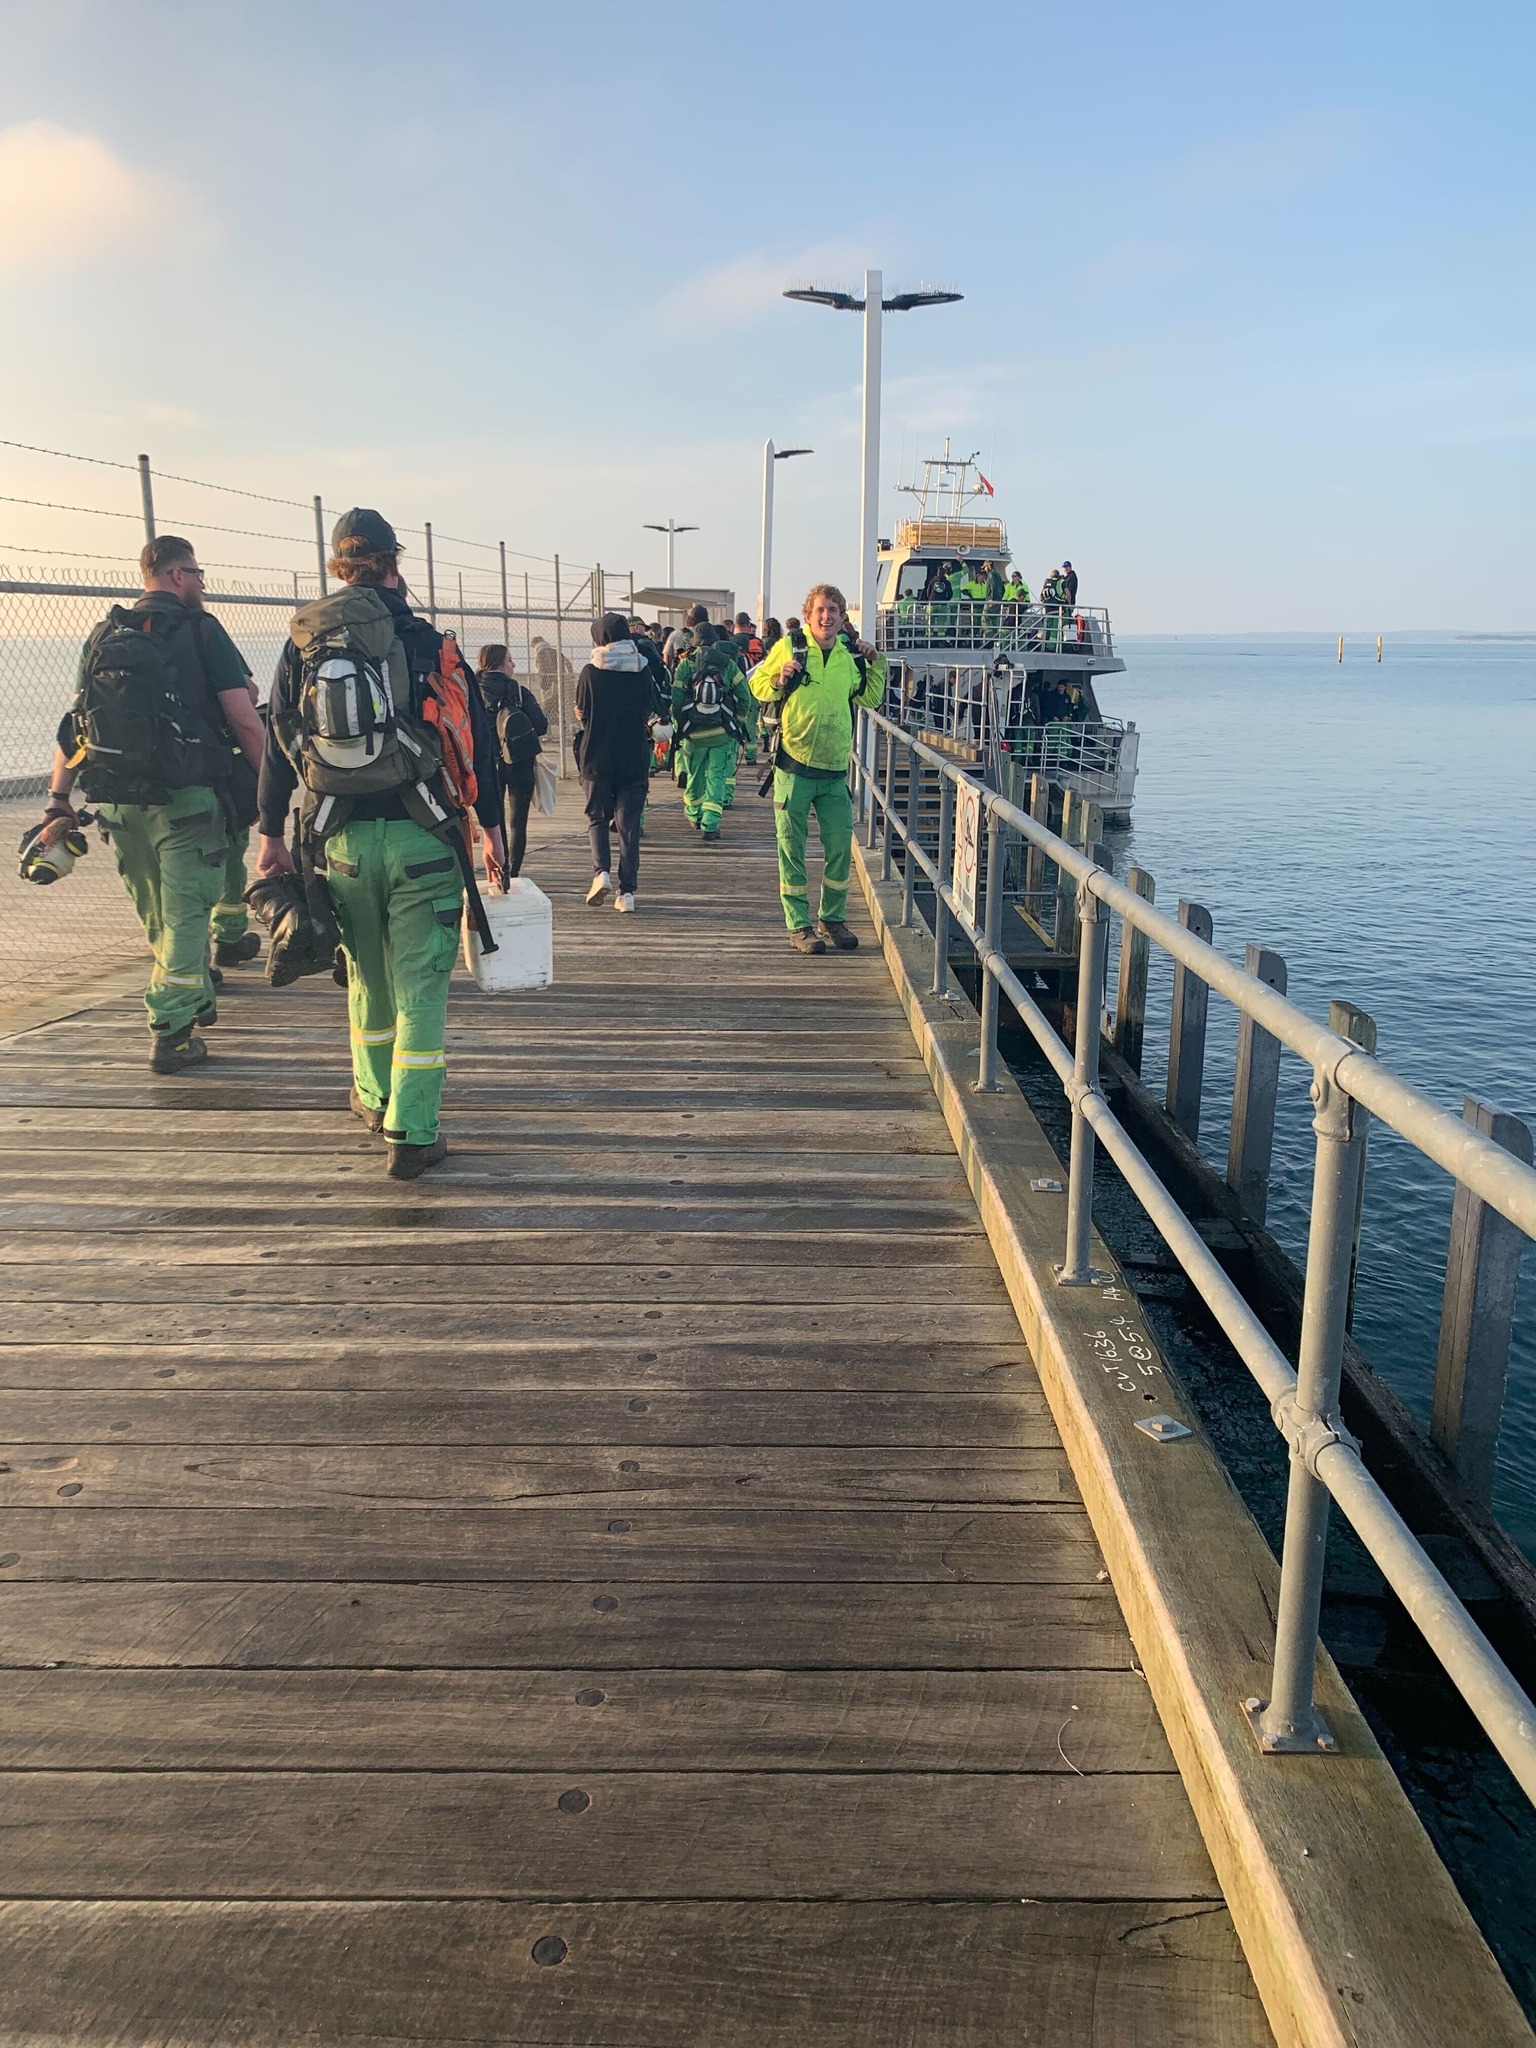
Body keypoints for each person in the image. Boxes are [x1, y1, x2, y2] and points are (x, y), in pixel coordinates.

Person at [257, 508, 505, 1180]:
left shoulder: (304, 643)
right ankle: (413, 1130)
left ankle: (371, 1098)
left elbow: (280, 744)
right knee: (421, 984)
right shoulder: (425, 640)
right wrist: (490, 829)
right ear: (396, 563)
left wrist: (271, 834)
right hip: (424, 837)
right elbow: (471, 738)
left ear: (338, 565)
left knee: (365, 974)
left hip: (336, 841)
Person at [40, 534, 265, 1073]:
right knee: (187, 915)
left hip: (116, 801)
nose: (203, 582)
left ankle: (196, 996)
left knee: (159, 914)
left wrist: (57, 800)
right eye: (197, 572)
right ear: (176, 575)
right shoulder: (201, 629)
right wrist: (270, 788)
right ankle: (171, 1031)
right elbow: (242, 716)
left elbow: (77, 727)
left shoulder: (102, 635)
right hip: (186, 799)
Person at [750, 581, 885, 956]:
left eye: (834, 610)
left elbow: (870, 697)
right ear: (809, 616)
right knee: (791, 850)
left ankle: (833, 918)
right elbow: (758, 686)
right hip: (793, 769)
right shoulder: (789, 647)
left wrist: (877, 663)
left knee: (840, 846)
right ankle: (800, 926)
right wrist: (779, 679)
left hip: (833, 772)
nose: (827, 616)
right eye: (820, 610)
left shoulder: (850, 656)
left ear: (842, 618)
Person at [574, 613, 652, 912]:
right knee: (628, 827)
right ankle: (627, 893)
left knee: (597, 817)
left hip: (597, 755)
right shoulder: (642, 669)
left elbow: (583, 713)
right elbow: (648, 707)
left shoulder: (590, 672)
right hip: (633, 756)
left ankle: (601, 873)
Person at [474, 644, 548, 879]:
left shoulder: (472, 691)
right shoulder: (517, 691)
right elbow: (542, 725)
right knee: (518, 822)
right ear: (498, 663)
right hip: (519, 762)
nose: (513, 665)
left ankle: (498, 866)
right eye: (509, 660)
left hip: (486, 764)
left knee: (494, 820)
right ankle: (512, 871)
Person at [672, 623, 749, 839]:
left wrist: (681, 725)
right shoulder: (728, 663)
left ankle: (694, 814)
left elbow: (677, 699)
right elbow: (745, 697)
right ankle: (710, 824)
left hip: (693, 735)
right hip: (722, 734)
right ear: (714, 641)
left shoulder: (686, 664)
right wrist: (738, 722)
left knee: (695, 776)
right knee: (717, 777)